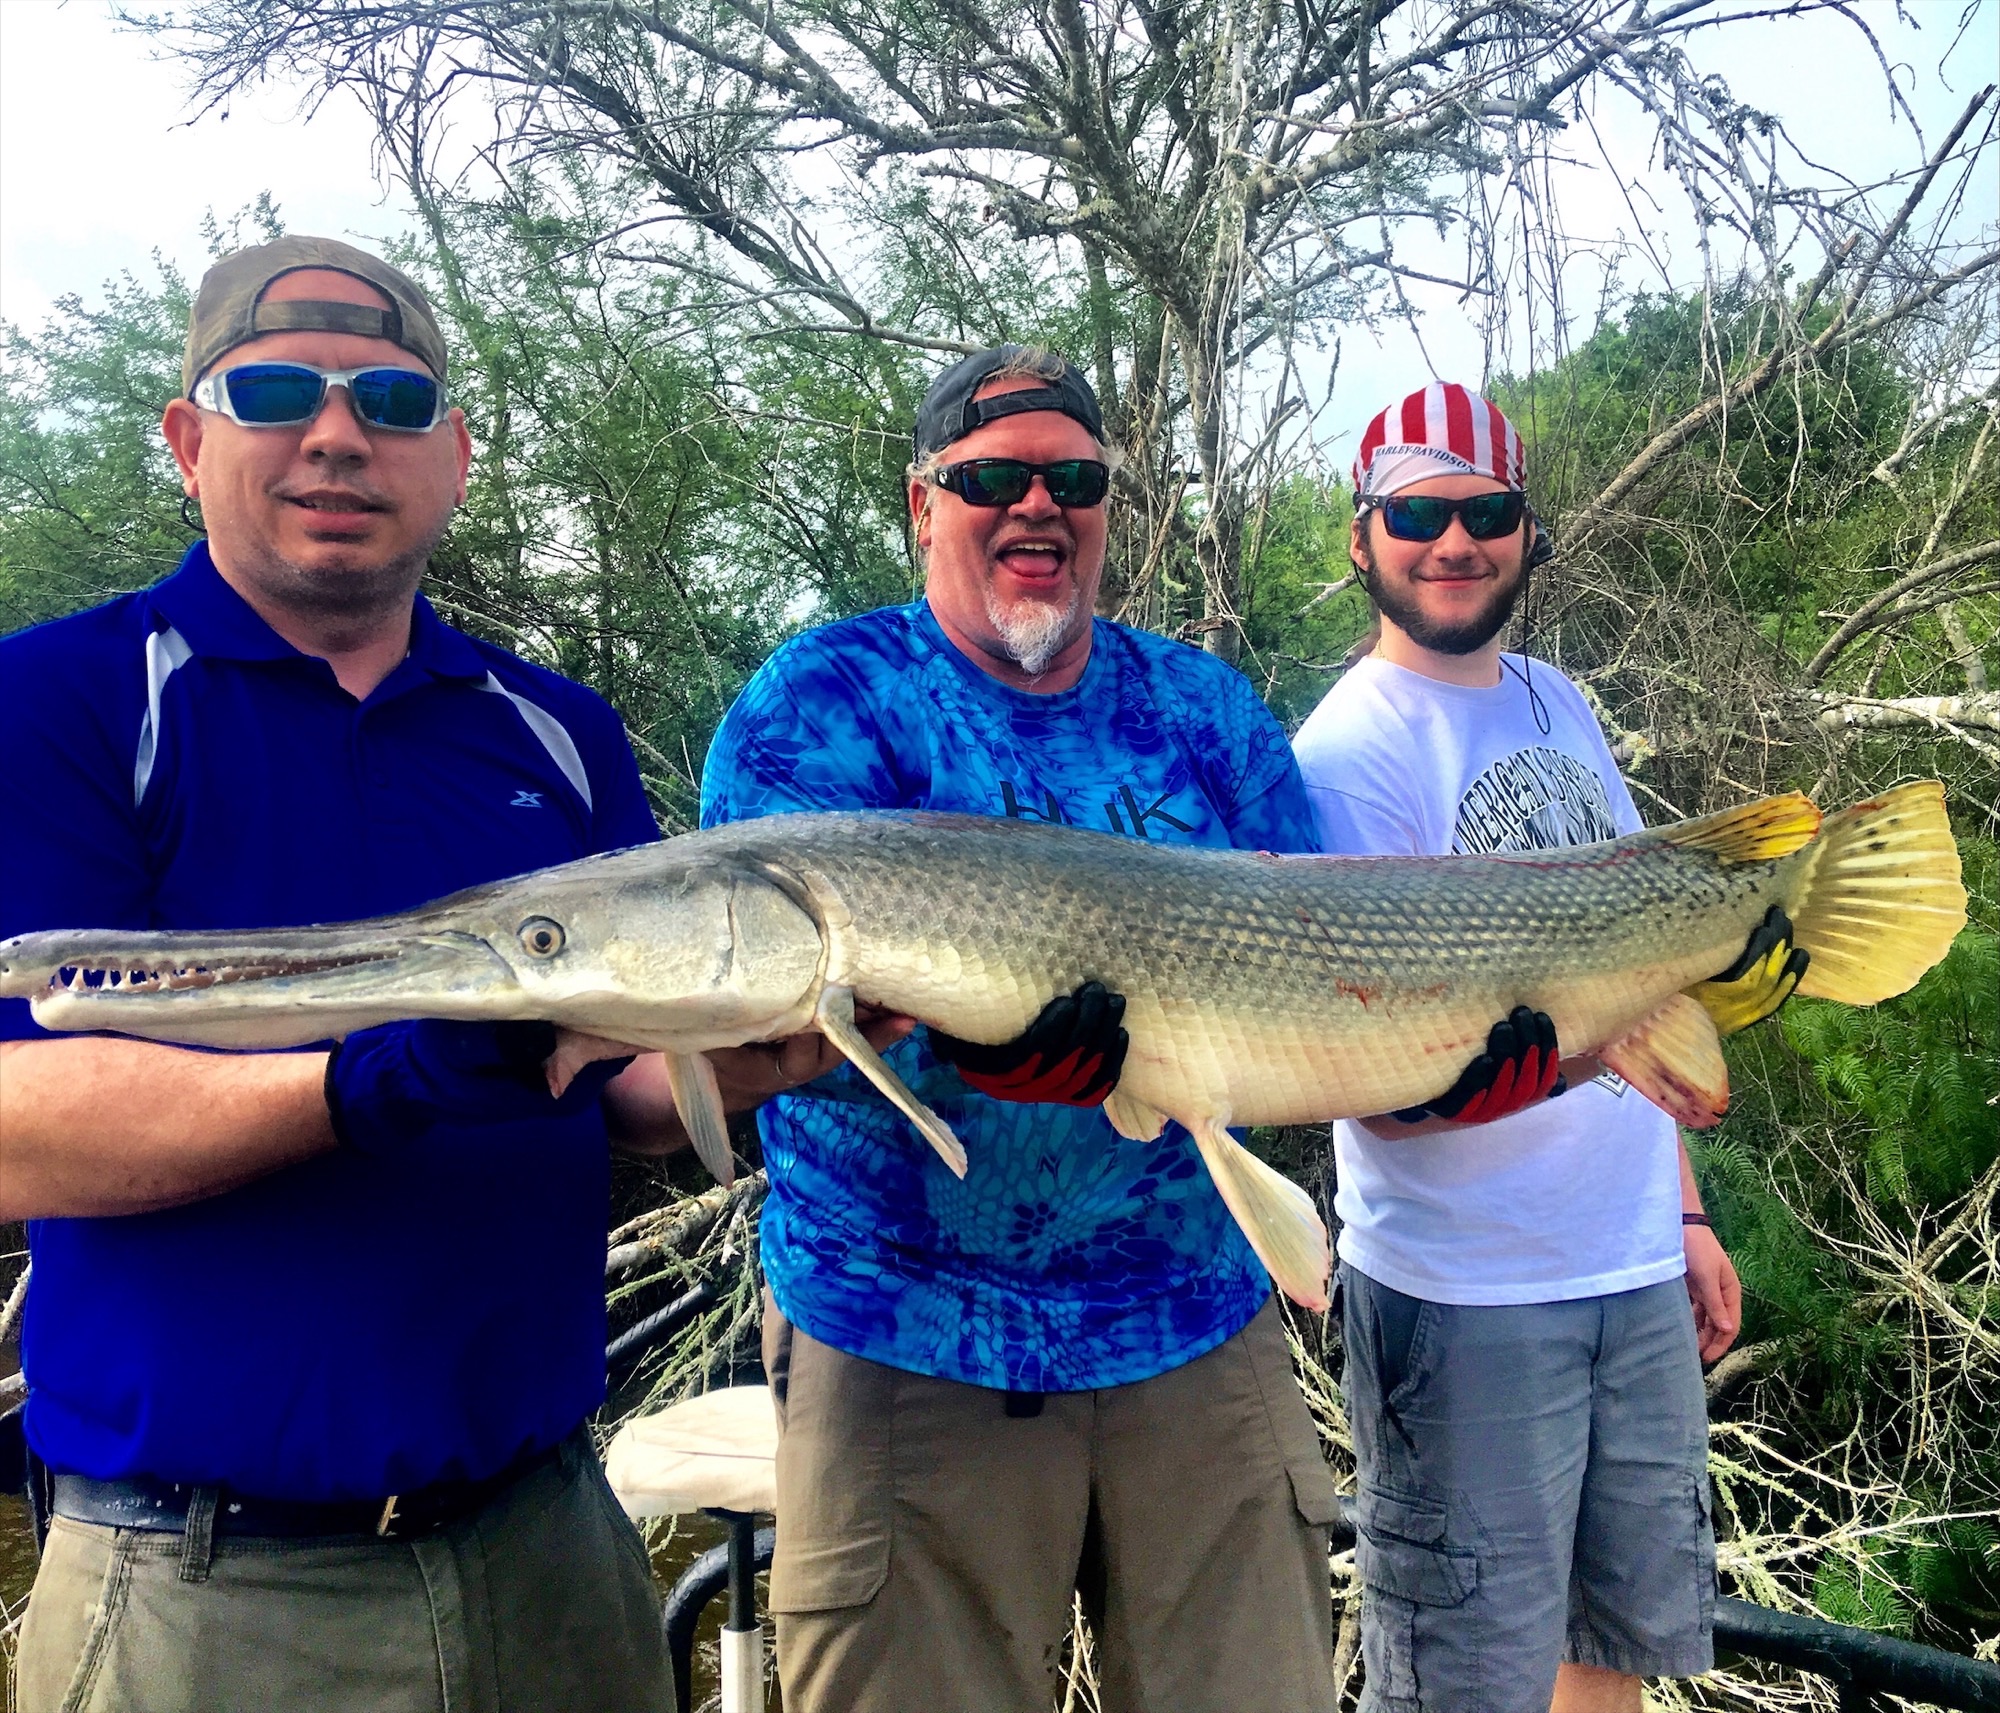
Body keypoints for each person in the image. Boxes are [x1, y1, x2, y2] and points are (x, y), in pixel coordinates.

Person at [695, 347, 1563, 1713]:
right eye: (992, 477)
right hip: (906, 1339)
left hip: (1194, 1328)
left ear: (1110, 507)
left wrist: (1479, 1065)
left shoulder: (1207, 715)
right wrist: (952, 1041)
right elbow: (743, 1021)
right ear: (923, 502)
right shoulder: (820, 704)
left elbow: (1324, 1003)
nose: (1037, 504)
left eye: (1076, 478)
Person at [0, 236, 684, 1712]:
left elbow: (634, 1075)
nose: (334, 433)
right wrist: (370, 1081)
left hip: (551, 1550)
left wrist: (812, 1038)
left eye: (388, 395)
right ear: (188, 440)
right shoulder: (56, 699)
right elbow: (13, 1125)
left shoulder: (557, 730)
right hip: (202, 1592)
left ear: (453, 455)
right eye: (273, 391)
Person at [1291, 384, 1763, 1713]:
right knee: (1461, 1687)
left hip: (1625, 1263)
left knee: (1615, 1647)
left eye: (1485, 512)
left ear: (1527, 532)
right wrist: (1591, 1051)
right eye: (1419, 514)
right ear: (1364, 537)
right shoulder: (1344, 754)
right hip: (1461, 1294)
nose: (1454, 542)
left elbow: (1645, 972)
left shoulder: (1561, 701)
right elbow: (1378, 1083)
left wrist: (1681, 1208)